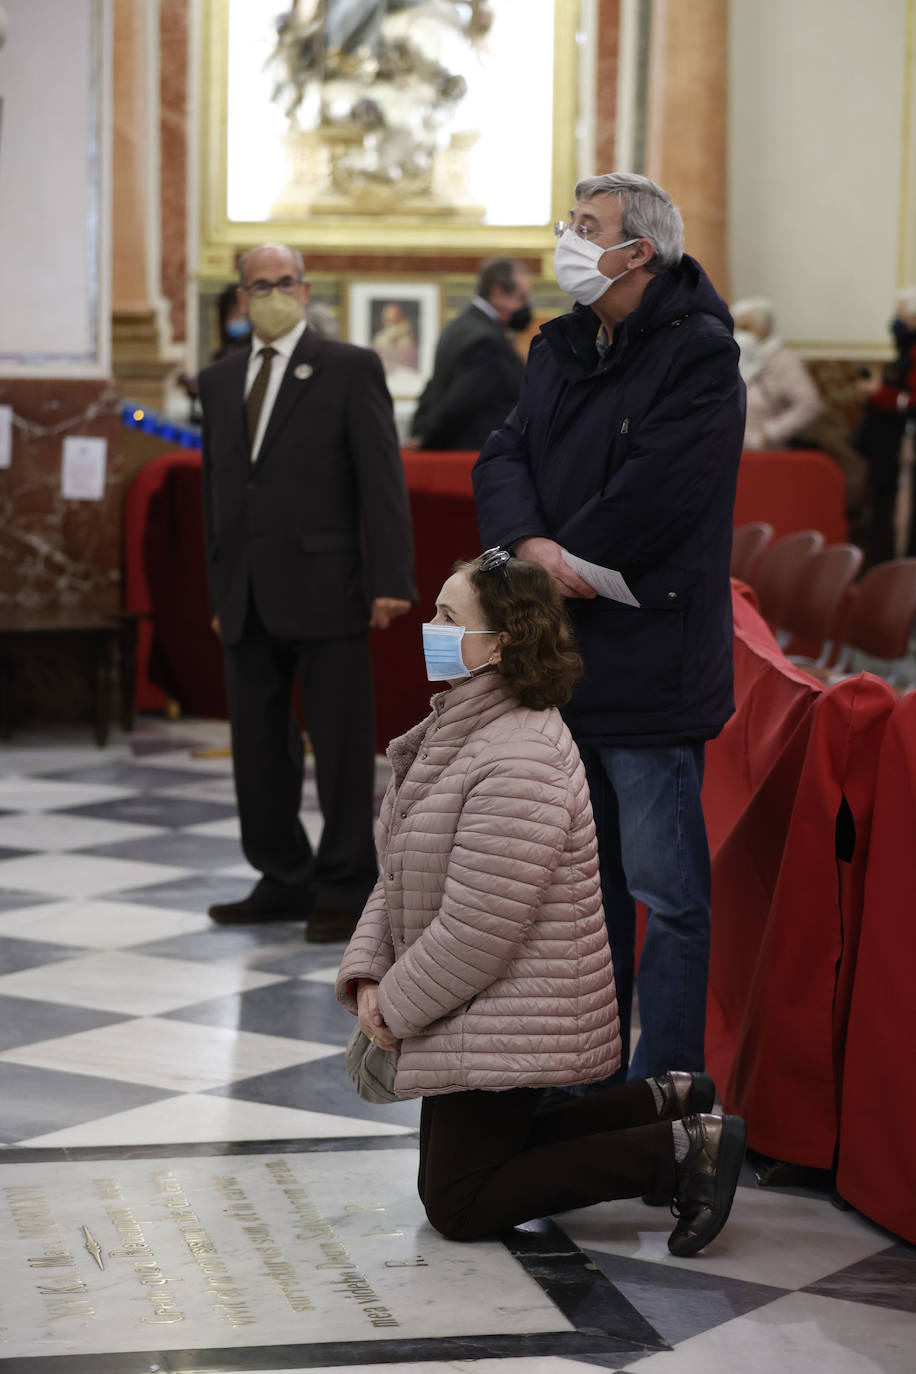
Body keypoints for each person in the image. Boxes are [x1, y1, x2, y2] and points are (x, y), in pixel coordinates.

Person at [336, 551, 746, 1254]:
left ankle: (683, 1154)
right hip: (475, 1001)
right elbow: (399, 867)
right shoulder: (455, 725)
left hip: (510, 1002)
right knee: (482, 1164)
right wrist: (369, 971)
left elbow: (477, 930)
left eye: (447, 617)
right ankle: (667, 1103)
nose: (428, 628)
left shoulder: (518, 755)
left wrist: (395, 1007)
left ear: (500, 643)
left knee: (459, 1203)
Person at [473, 173, 746, 1081]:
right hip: (566, 658)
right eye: (569, 223)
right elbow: (505, 451)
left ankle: (666, 1101)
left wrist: (559, 562)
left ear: (639, 253)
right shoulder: (558, 345)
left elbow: (662, 492)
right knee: (584, 901)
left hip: (653, 665)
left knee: (665, 896)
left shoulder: (699, 353)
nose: (569, 240)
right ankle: (591, 1092)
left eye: (587, 228)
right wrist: (529, 542)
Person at [199, 242, 417, 942]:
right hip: (248, 592)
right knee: (258, 747)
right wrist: (220, 584)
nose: (270, 293)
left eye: (282, 282)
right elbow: (220, 492)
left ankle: (343, 884)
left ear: (305, 287)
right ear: (240, 297)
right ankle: (281, 875)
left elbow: (380, 480)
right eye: (257, 284)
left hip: (331, 586)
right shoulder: (221, 379)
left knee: (343, 746)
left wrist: (390, 578)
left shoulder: (349, 367)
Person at [410, 258, 532, 450]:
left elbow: (433, 387)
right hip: (473, 455)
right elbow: (460, 403)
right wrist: (426, 439)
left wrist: (420, 432)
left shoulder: (458, 326)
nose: (525, 307)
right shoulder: (486, 340)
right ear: (497, 292)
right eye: (521, 298)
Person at [854, 286, 916, 565]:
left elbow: (909, 398)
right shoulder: (906, 350)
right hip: (888, 444)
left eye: (901, 315)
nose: (896, 321)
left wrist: (878, 393)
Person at [732, 297, 822, 450]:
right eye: (736, 328)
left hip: (767, 451)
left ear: (765, 328)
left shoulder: (784, 359)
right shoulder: (733, 357)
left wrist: (770, 433)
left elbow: (809, 405)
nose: (740, 334)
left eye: (746, 328)